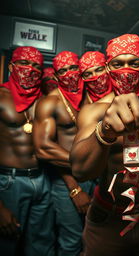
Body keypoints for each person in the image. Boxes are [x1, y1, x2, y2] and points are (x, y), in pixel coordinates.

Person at [70, 34, 139, 256]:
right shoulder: (94, 111)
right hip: (109, 215)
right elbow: (80, 171)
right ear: (108, 67)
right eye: (118, 64)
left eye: (134, 63)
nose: (127, 70)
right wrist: (105, 132)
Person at [33, 51, 96, 256]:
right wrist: (74, 187)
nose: (69, 73)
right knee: (72, 241)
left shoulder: (92, 95)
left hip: (97, 178)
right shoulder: (50, 102)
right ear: (57, 75)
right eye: (63, 71)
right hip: (67, 181)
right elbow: (44, 149)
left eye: (73, 68)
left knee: (97, 238)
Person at [0, 46, 54, 256]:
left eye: (35, 66)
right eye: (24, 63)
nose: (30, 69)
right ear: (12, 66)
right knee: (7, 244)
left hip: (42, 179)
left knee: (42, 245)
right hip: (9, 181)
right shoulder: (1, 96)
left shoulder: (44, 101)